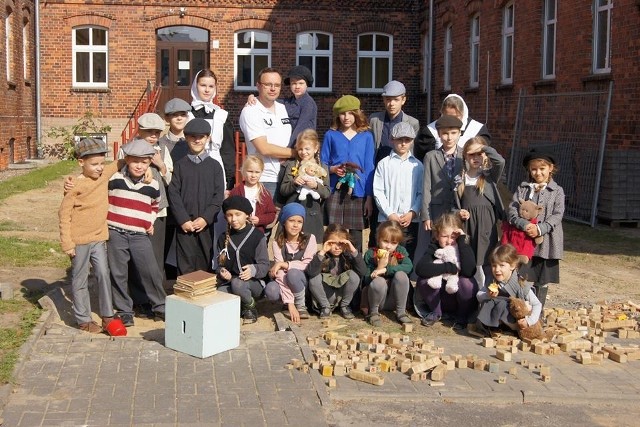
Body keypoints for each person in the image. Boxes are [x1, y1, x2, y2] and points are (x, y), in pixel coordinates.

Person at [58, 138, 122, 333]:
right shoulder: (75, 186)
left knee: (103, 273)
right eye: (94, 164)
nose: (99, 168)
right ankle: (83, 319)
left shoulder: (103, 176)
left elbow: (122, 162)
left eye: (102, 163)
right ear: (81, 163)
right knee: (80, 279)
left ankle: (107, 315)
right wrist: (67, 243)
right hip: (78, 242)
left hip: (99, 238)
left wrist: (145, 168)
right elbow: (64, 214)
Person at [106, 139, 167, 327]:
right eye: (135, 161)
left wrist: (149, 222)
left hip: (140, 235)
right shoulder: (114, 179)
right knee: (119, 273)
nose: (139, 166)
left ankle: (160, 306)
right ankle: (124, 310)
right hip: (116, 232)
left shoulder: (153, 184)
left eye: (144, 162)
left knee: (150, 271)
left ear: (149, 162)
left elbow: (154, 206)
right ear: (127, 160)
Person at [506, 148, 565, 308]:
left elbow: (558, 215)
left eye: (542, 168)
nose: (538, 173)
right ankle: (521, 309)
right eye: (534, 169)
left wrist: (540, 229)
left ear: (550, 168)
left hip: (546, 243)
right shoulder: (523, 189)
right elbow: (512, 210)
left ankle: (538, 312)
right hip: (523, 241)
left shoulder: (557, 191)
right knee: (522, 276)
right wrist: (525, 225)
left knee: (542, 279)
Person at [367, 80, 421, 248]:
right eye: (387, 99)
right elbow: (371, 152)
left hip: (402, 174)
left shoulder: (412, 122)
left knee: (404, 240)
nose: (391, 103)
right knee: (380, 232)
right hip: (381, 174)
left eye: (395, 99)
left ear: (403, 100)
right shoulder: (375, 120)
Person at [168, 118, 224, 275]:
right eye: (193, 136)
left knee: (204, 263)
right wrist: (183, 219)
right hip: (185, 225)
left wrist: (206, 218)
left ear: (208, 138)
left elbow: (218, 196)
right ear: (186, 138)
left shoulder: (215, 166)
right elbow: (174, 194)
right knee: (185, 265)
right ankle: (186, 298)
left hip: (206, 225)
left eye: (201, 137)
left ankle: (202, 297)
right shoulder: (180, 165)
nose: (197, 140)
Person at [321, 95, 375, 253]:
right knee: (335, 232)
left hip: (358, 190)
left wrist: (369, 197)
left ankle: (355, 271)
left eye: (350, 113)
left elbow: (369, 166)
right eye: (343, 113)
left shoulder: (366, 136)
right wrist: (332, 169)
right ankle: (333, 267)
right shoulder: (331, 135)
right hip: (335, 189)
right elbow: (322, 162)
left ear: (357, 114)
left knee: (356, 235)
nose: (346, 117)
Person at [455, 136, 506, 288]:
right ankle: (470, 290)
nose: (476, 157)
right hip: (468, 225)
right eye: (471, 154)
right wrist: (459, 211)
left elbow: (500, 161)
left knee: (487, 259)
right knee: (469, 258)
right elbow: (454, 204)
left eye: (479, 154)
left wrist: (484, 149)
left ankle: (490, 290)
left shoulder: (489, 176)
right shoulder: (460, 179)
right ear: (465, 156)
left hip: (486, 224)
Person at [239, 67, 295, 199]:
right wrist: (295, 153)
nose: (273, 88)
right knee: (265, 219)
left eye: (277, 85)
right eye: (268, 84)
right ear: (258, 86)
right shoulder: (251, 111)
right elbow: (263, 148)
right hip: (264, 179)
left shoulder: (283, 108)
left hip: (287, 177)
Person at [414, 213, 477, 330]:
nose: (449, 241)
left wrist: (462, 241)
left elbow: (469, 271)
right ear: (437, 235)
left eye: (453, 237)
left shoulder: (463, 247)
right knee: (423, 280)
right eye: (444, 236)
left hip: (458, 298)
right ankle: (436, 313)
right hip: (439, 298)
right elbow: (420, 268)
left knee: (467, 283)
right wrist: (449, 267)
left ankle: (462, 317)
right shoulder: (434, 248)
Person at [216, 196, 270, 324]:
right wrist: (222, 271)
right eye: (229, 215)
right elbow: (219, 264)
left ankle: (250, 307)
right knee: (219, 293)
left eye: (238, 214)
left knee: (238, 284)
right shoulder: (223, 238)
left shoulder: (257, 236)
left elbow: (265, 265)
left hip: (254, 284)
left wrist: (253, 270)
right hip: (231, 281)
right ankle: (240, 305)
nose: (233, 219)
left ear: (247, 215)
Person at [373, 122, 423, 259]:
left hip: (409, 220)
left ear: (412, 141)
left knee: (407, 255)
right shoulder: (384, 164)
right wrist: (390, 213)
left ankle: (404, 280)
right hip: (387, 219)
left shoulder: (417, 165)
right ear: (392, 139)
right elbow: (378, 191)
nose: (403, 144)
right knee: (385, 254)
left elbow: (421, 192)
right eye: (399, 139)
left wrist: (413, 212)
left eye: (407, 140)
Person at [266, 203, 317, 323]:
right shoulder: (277, 242)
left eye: (299, 221)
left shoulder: (310, 238)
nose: (295, 225)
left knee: (293, 273)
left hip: (303, 280)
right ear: (284, 222)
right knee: (271, 290)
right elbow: (279, 274)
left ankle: (301, 304)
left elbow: (307, 264)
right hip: (284, 281)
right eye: (291, 220)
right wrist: (290, 303)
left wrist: (285, 264)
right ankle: (288, 303)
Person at [475, 244, 542, 335]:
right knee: (488, 302)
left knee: (503, 304)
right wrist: (488, 295)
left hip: (517, 321)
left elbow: (537, 304)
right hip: (499, 318)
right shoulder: (492, 281)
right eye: (494, 266)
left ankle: (513, 329)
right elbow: (479, 296)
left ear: (512, 266)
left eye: (502, 265)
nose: (497, 270)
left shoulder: (520, 284)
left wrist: (529, 321)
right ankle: (493, 327)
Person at [277, 129, 329, 241]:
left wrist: (316, 186)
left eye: (307, 149)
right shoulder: (291, 166)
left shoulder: (322, 168)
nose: (303, 152)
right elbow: (283, 190)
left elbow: (327, 192)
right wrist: (294, 183)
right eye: (300, 149)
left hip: (312, 211)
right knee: (290, 242)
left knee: (309, 245)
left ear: (316, 149)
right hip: (293, 209)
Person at [188, 69, 235, 192]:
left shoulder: (222, 115)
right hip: (191, 165)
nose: (207, 90)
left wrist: (230, 180)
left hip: (216, 164)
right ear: (195, 86)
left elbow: (228, 151)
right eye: (203, 85)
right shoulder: (186, 114)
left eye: (211, 86)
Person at [307, 224, 367, 319]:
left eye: (341, 244)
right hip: (326, 296)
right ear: (326, 242)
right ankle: (325, 307)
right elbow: (310, 273)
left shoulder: (349, 256)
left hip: (343, 295)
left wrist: (353, 250)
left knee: (354, 275)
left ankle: (345, 306)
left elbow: (363, 272)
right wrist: (322, 252)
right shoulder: (321, 256)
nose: (337, 247)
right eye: (333, 243)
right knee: (314, 278)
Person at [363, 220, 414, 327]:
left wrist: (386, 269)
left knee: (401, 275)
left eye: (393, 243)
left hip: (394, 298)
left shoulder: (401, 251)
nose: (388, 246)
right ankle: (373, 313)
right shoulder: (370, 254)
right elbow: (366, 279)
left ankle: (401, 312)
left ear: (398, 243)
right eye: (385, 241)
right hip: (377, 299)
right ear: (378, 239)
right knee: (379, 281)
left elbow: (409, 267)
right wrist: (379, 266)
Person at [414, 94, 492, 161]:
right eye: (447, 116)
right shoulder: (430, 132)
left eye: (456, 117)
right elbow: (422, 159)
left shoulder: (477, 130)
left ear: (463, 114)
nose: (451, 121)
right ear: (442, 113)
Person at [421, 115, 464, 232]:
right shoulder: (430, 156)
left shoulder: (465, 155)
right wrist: (426, 215)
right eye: (445, 133)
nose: (449, 137)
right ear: (439, 134)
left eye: (453, 133)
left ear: (460, 133)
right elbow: (426, 187)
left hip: (458, 210)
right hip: (437, 210)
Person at [228, 155, 276, 234]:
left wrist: (260, 219)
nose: (253, 175)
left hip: (258, 233)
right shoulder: (235, 192)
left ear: (261, 172)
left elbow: (271, 214)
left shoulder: (265, 194)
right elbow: (227, 213)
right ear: (243, 171)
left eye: (257, 172)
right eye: (250, 171)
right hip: (238, 233)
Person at [283, 65, 317, 147]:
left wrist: (287, 150)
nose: (297, 86)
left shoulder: (308, 103)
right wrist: (255, 98)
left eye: (301, 83)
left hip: (303, 147)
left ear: (307, 85)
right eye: (294, 83)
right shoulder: (288, 102)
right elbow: (270, 100)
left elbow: (300, 128)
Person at [159, 97, 191, 162]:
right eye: (175, 115)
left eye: (183, 115)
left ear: (187, 117)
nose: (179, 118)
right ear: (167, 118)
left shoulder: (193, 142)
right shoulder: (160, 144)